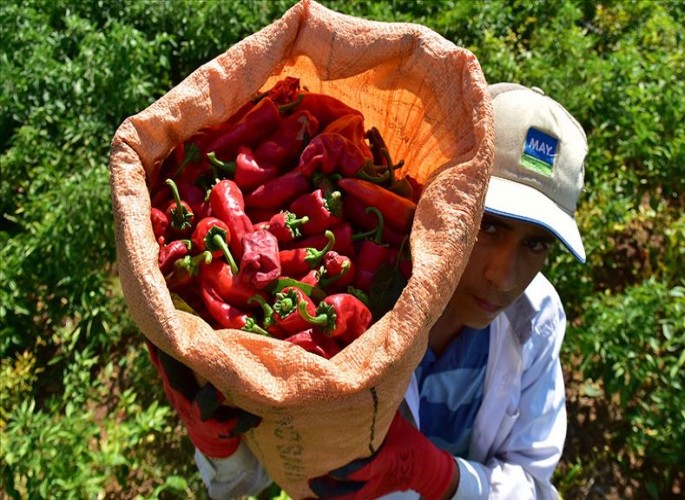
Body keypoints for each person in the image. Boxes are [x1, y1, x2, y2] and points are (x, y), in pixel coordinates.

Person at [152, 82, 589, 499]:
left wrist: (442, 476)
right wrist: (219, 446)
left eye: (536, 245)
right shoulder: (361, 302)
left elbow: (534, 485)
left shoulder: (536, 318)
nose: (503, 275)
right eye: (489, 226)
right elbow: (250, 478)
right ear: (450, 204)